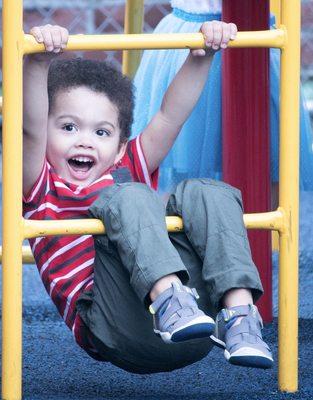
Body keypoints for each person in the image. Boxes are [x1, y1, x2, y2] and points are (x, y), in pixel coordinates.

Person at [23, 21, 273, 375]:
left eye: (101, 132)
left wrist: (203, 56)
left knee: (205, 192)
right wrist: (37, 62)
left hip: (196, 320)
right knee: (129, 196)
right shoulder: (40, 186)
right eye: (68, 127)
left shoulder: (126, 166)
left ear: (119, 147)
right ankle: (168, 299)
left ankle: (239, 316)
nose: (84, 141)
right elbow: (29, 126)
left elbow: (170, 117)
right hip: (112, 322)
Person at [132, 0, 313, 194]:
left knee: (268, 160)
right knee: (181, 167)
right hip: (195, 32)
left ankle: (260, 223)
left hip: (256, 32)